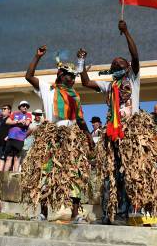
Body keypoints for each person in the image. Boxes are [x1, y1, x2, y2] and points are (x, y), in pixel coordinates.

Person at [79, 20, 140, 224]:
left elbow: (135, 56)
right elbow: (86, 82)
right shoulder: (109, 85)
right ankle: (107, 215)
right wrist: (81, 62)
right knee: (109, 175)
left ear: (128, 67)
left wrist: (126, 31)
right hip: (111, 133)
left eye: (119, 63)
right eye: (113, 65)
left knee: (126, 174)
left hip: (130, 133)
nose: (115, 65)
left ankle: (124, 215)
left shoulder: (133, 79)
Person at [25, 45, 91, 223]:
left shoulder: (75, 96)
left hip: (71, 138)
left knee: (74, 173)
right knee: (46, 173)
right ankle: (43, 213)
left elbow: (81, 119)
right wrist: (37, 56)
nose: (73, 80)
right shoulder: (49, 89)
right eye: (70, 76)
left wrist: (89, 138)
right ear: (61, 75)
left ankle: (76, 214)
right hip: (51, 136)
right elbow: (29, 76)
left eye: (74, 77)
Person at [4, 101, 31, 172]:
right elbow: (7, 121)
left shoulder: (28, 115)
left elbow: (27, 124)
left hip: (20, 139)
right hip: (11, 137)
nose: (25, 107)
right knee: (8, 158)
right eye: (23, 105)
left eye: (26, 106)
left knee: (17, 158)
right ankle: (3, 176)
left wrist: (16, 123)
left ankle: (15, 175)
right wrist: (18, 122)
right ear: (20, 107)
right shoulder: (15, 113)